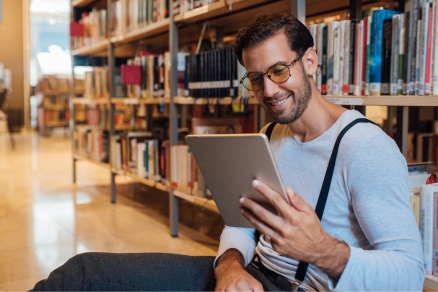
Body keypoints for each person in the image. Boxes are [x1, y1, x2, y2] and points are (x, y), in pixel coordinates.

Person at [31, 12, 424, 291]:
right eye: (255, 79)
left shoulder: (365, 147)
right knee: (82, 275)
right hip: (250, 277)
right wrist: (229, 267)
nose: (269, 91)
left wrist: (323, 250)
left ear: (310, 62)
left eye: (279, 71)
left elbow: (409, 274)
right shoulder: (269, 136)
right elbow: (241, 225)